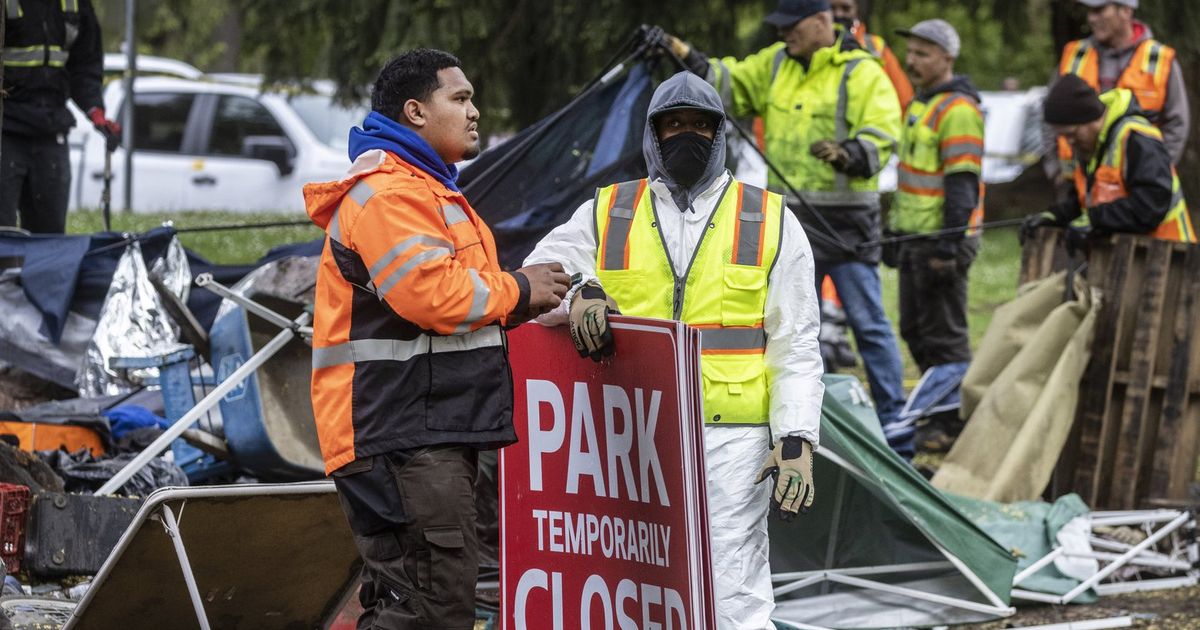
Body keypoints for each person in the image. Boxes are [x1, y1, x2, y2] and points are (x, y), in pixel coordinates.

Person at [524, 70, 825, 630]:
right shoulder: (610, 209)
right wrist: (583, 291)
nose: (686, 135)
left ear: (722, 133)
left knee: (731, 588)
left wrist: (797, 437)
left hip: (731, 440)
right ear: (651, 134)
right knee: (636, 583)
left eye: (700, 125)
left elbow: (797, 343)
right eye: (673, 125)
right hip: (631, 436)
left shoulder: (770, 218)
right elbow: (539, 275)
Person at [303, 49, 571, 629]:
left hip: (421, 430)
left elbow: (461, 308)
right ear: (415, 112)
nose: (475, 112)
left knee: (425, 606)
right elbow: (431, 296)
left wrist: (529, 302)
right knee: (429, 612)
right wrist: (520, 291)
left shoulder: (428, 192)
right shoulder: (390, 195)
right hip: (400, 434)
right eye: (461, 98)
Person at [661, 0, 907, 441]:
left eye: (791, 27)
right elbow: (727, 83)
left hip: (845, 223)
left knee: (868, 324)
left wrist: (851, 153)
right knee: (791, 329)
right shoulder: (775, 64)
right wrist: (686, 55)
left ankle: (895, 426)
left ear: (820, 22)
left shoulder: (861, 71)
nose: (783, 35)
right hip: (791, 221)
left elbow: (884, 131)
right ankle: (812, 421)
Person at [888, 20, 985, 454]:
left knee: (945, 337)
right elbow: (910, 179)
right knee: (915, 331)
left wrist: (949, 244)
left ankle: (952, 423)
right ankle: (937, 414)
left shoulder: (958, 109)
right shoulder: (919, 106)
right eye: (911, 52)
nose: (913, 61)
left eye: (924, 53)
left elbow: (962, 183)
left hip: (943, 242)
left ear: (948, 58)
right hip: (915, 239)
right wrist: (895, 233)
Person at [1024, 74, 1195, 247]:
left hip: (1170, 256)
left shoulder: (1136, 139)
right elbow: (1090, 200)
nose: (1069, 142)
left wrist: (1095, 220)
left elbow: (1150, 205)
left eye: (1072, 133)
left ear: (1090, 119)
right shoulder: (1092, 145)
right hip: (1130, 257)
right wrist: (1057, 216)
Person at [1, 0, 120, 233]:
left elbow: (84, 64)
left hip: (51, 131)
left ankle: (43, 269)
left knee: (50, 238)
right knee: (3, 236)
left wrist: (95, 110)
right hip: (6, 132)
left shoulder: (73, 5)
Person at [1049, 0, 1189, 189]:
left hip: (1139, 190)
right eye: (1089, 11)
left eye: (1099, 10)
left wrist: (1154, 173)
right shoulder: (1075, 55)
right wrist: (1055, 169)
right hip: (1078, 188)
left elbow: (1177, 124)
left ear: (1125, 10)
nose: (1091, 18)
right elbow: (1050, 118)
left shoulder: (1160, 60)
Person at [831, 0, 915, 108]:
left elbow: (903, 96)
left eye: (846, 8)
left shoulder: (875, 46)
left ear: (856, 9)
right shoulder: (814, 46)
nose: (838, 14)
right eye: (832, 8)